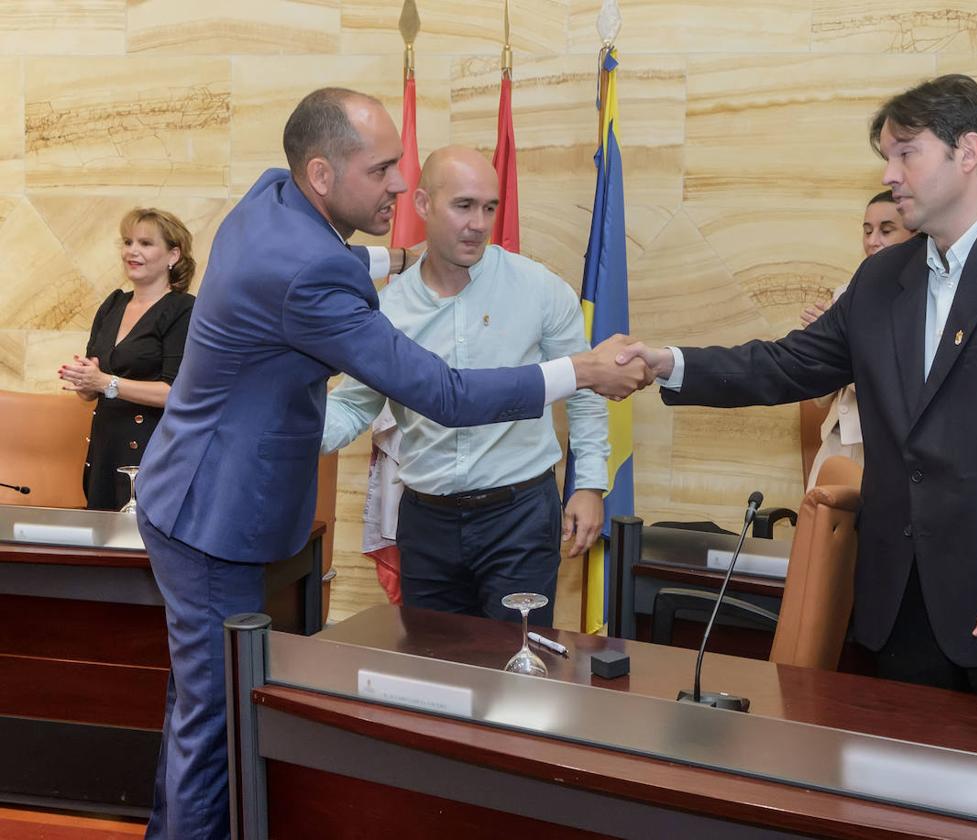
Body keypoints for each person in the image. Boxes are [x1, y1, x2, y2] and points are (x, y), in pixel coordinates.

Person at [133, 87, 648, 840]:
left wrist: (396, 254)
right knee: (213, 724)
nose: (400, 187)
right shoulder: (315, 276)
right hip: (215, 515)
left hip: (190, 492)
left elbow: (327, 259)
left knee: (196, 706)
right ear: (320, 173)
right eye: (381, 171)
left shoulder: (266, 199)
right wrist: (581, 373)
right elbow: (443, 392)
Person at [618, 74, 977, 701]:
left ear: (967, 152)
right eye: (886, 156)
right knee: (899, 798)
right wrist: (665, 362)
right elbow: (786, 365)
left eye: (905, 153)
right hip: (901, 613)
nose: (889, 174)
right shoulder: (882, 279)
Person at [323, 146, 610, 626]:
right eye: (463, 206)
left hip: (519, 518)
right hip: (426, 522)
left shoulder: (538, 289)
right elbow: (354, 405)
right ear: (421, 205)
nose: (479, 223)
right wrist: (282, 428)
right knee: (435, 672)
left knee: (518, 676)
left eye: (490, 207)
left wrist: (591, 485)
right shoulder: (387, 310)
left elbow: (582, 386)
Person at [57, 209, 196, 510]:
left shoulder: (183, 310)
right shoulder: (113, 304)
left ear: (174, 255)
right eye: (128, 242)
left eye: (146, 243)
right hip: (106, 449)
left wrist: (107, 382)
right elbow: (92, 390)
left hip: (151, 453)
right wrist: (84, 380)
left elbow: (175, 393)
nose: (132, 251)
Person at [801, 192, 915, 489]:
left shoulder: (920, 300)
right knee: (816, 532)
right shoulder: (844, 294)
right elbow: (819, 396)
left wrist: (842, 353)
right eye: (867, 231)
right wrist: (818, 348)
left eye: (886, 230)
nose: (873, 241)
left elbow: (897, 385)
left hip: (882, 450)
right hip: (835, 443)